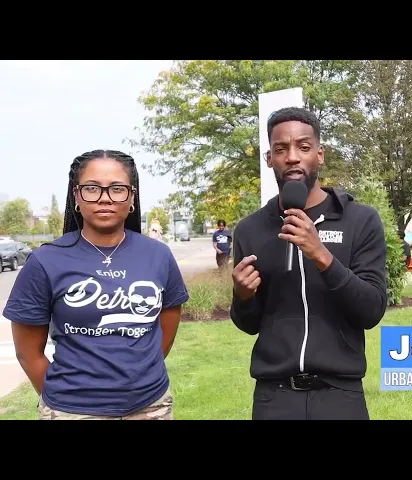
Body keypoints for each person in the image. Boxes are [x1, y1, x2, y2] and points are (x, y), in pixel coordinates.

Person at [3, 149, 190, 420]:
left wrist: (140, 378)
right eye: (92, 188)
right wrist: (63, 402)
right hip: (72, 410)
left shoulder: (158, 255)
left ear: (132, 197)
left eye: (117, 188)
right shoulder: (45, 261)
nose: (105, 197)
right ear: (77, 196)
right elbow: (28, 353)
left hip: (151, 406)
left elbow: (166, 331)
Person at [230, 107, 388, 420]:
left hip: (341, 394)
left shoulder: (360, 220)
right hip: (274, 396)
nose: (292, 157)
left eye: (303, 147)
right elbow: (249, 324)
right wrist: (243, 296)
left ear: (319, 154)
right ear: (269, 159)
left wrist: (321, 255)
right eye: (280, 149)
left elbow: (371, 310)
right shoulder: (250, 229)